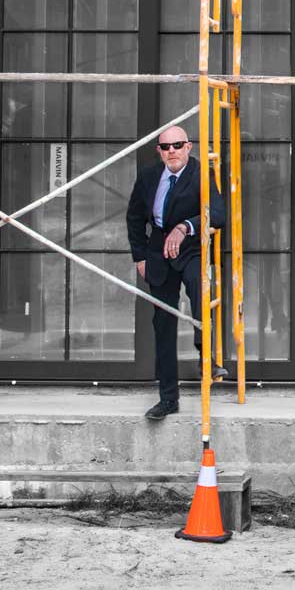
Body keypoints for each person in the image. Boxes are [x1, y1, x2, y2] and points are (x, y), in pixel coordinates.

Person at [126, 125, 228, 422]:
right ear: (159, 150)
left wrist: (184, 227)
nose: (172, 151)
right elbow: (134, 218)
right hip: (157, 252)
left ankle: (205, 358)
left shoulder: (200, 174)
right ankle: (168, 399)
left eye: (177, 145)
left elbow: (219, 214)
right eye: (166, 147)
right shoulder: (148, 176)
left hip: (191, 248)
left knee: (200, 287)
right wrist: (140, 257)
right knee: (164, 324)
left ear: (188, 147)